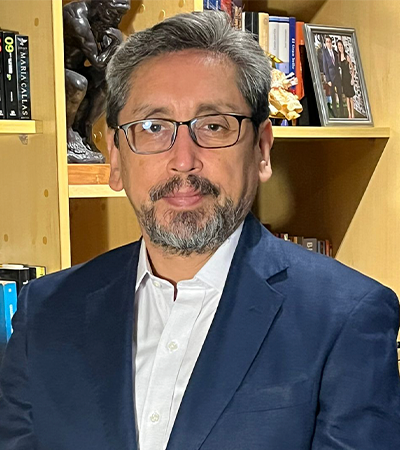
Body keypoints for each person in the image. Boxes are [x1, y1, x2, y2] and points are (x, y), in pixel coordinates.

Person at [1, 11, 399, 450]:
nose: (183, 161)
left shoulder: (346, 317)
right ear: (115, 157)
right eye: (153, 128)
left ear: (262, 149)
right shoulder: (47, 311)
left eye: (213, 126)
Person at [64, 0, 130, 163]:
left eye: (120, 15)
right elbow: (98, 61)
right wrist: (115, 44)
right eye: (113, 13)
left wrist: (113, 43)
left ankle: (84, 129)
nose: (116, 20)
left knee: (111, 80)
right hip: (56, 72)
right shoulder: (76, 17)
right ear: (101, 4)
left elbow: (110, 65)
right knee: (78, 84)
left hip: (78, 69)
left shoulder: (100, 20)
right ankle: (67, 134)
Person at [322, 35, 344, 118]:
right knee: (333, 97)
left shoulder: (335, 52)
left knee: (340, 95)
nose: (328, 43)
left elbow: (338, 64)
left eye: (329, 42)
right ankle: (335, 114)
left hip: (337, 76)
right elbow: (325, 67)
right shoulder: (325, 53)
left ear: (331, 43)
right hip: (331, 78)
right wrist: (328, 80)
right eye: (327, 42)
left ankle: (342, 113)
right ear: (325, 43)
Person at [337, 39, 356, 119]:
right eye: (339, 46)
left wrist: (352, 78)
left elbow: (352, 68)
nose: (340, 48)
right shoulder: (338, 57)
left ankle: (353, 114)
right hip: (343, 79)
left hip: (348, 77)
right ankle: (349, 114)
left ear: (343, 47)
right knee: (347, 97)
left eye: (341, 46)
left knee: (351, 97)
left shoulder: (346, 56)